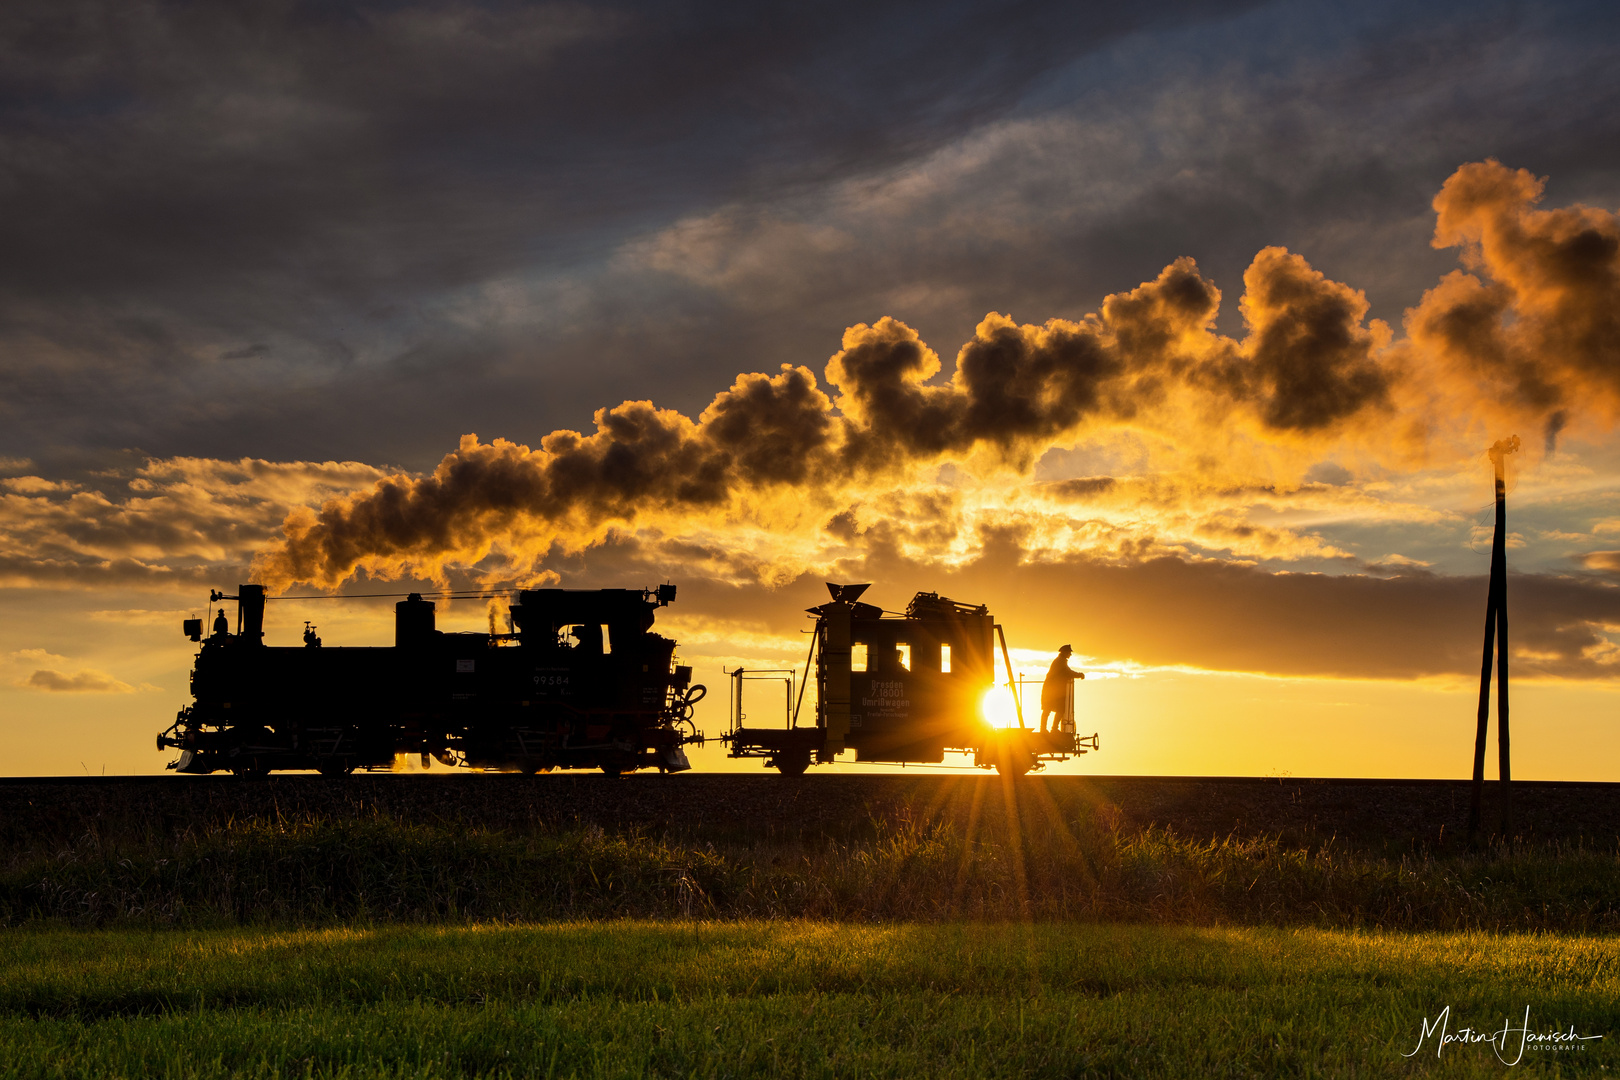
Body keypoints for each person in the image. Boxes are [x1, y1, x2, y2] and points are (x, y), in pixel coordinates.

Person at [1039, 645, 1084, 733]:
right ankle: (1049, 729)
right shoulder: (1060, 661)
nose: (1070, 654)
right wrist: (1079, 675)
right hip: (1052, 690)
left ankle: (1049, 728)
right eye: (1069, 652)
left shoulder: (1060, 661)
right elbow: (1068, 672)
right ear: (1065, 652)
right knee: (1051, 709)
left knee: (1055, 709)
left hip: (1053, 689)